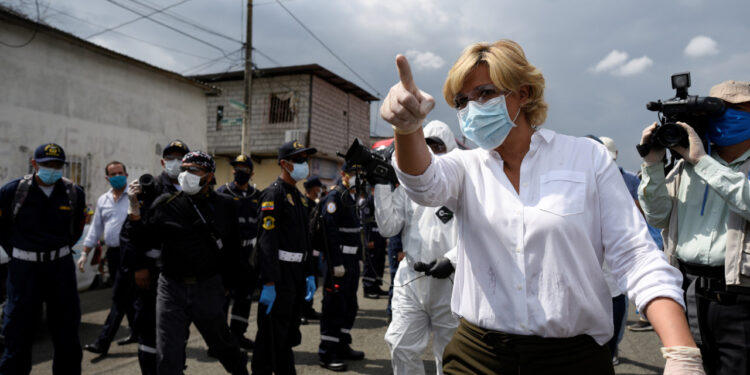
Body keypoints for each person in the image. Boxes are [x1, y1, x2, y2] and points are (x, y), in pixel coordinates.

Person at [380, 40, 704, 374]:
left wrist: (682, 352)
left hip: (571, 357)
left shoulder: (586, 158)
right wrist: (407, 130)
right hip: (478, 355)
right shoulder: (465, 166)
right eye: (462, 101)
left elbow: (635, 255)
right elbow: (423, 183)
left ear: (523, 92)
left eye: (485, 93)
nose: (472, 108)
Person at [638, 80, 750, 375]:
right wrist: (652, 164)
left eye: (737, 110)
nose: (726, 118)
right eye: (720, 111)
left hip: (739, 300)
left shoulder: (699, 161)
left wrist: (702, 162)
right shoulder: (687, 164)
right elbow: (658, 216)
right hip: (688, 290)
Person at [131, 150, 248, 374]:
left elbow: (233, 250)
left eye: (194, 170)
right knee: (168, 354)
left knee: (223, 346)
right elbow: (144, 240)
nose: (186, 175)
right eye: (184, 170)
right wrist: (134, 213)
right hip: (171, 288)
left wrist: (228, 285)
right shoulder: (165, 204)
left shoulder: (225, 206)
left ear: (209, 175)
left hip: (207, 287)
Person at [374, 120, 460, 375]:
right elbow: (388, 228)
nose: (431, 152)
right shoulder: (408, 189)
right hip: (411, 278)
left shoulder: (462, 186)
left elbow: (478, 233)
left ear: (451, 150)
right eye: (426, 146)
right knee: (400, 345)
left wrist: (454, 259)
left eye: (438, 146)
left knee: (450, 355)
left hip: (451, 282)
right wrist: (380, 184)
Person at [0, 143, 86, 374]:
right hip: (23, 269)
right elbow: (2, 228)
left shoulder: (73, 193)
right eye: (47, 165)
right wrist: (19, 253)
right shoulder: (13, 191)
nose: (53, 169)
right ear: (34, 164)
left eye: (58, 165)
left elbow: (76, 229)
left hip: (60, 268)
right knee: (17, 332)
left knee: (66, 331)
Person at [120, 139, 190, 374]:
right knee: (149, 328)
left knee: (179, 328)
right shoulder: (149, 189)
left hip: (181, 272)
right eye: (171, 158)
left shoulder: (193, 190)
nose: (176, 162)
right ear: (163, 161)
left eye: (181, 158)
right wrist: (139, 266)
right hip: (151, 270)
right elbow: (130, 233)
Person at [253, 140, 317, 375]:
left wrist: (309, 272)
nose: (303, 164)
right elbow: (266, 242)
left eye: (305, 159)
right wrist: (269, 282)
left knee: (288, 333)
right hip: (279, 275)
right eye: (298, 160)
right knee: (270, 334)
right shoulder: (274, 194)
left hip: (297, 275)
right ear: (284, 163)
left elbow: (305, 241)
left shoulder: (298, 197)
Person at [82, 161, 137, 356]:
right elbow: (96, 228)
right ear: (107, 177)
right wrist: (84, 252)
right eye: (113, 174)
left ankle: (102, 342)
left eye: (121, 172)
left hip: (131, 253)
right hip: (113, 254)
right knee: (128, 295)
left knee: (119, 297)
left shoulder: (135, 196)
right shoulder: (103, 200)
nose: (117, 176)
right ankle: (137, 332)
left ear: (127, 173)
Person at [317, 163, 367, 372]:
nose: (356, 177)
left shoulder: (352, 196)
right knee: (334, 308)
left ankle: (342, 344)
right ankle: (327, 353)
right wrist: (336, 262)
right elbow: (329, 233)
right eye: (352, 173)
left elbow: (355, 232)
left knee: (350, 306)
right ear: (343, 174)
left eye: (359, 173)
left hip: (351, 262)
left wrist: (359, 257)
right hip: (338, 263)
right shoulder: (334, 198)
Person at [216, 154, 261, 351]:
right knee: (222, 298)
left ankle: (238, 335)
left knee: (244, 297)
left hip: (249, 254)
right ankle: (219, 341)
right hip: (227, 255)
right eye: (236, 168)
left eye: (244, 169)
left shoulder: (257, 196)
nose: (239, 172)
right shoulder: (222, 192)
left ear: (251, 173)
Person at [301, 176, 324, 325]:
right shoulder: (304, 204)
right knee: (303, 283)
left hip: (314, 250)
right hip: (304, 249)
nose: (319, 191)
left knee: (313, 280)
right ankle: (301, 312)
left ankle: (308, 309)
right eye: (317, 188)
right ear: (311, 189)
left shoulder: (315, 204)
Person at [361, 193, 388, 299]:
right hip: (372, 235)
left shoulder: (379, 198)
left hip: (379, 235)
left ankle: (376, 286)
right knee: (371, 263)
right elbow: (366, 222)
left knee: (379, 262)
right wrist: (368, 239)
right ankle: (368, 288)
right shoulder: (368, 201)